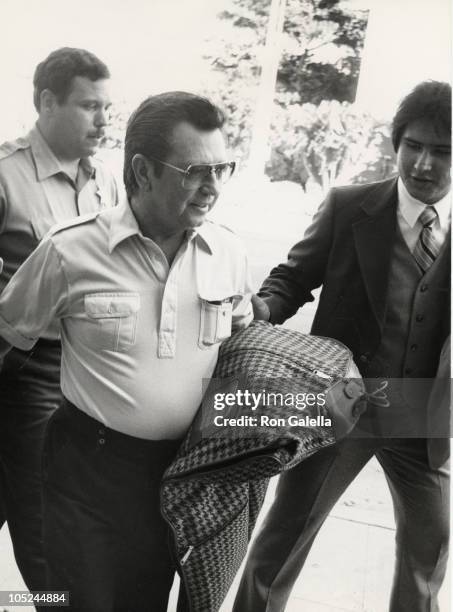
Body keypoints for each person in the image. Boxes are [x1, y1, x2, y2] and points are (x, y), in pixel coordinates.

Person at [0, 91, 252, 611]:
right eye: (195, 171)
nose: (212, 187)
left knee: (144, 599)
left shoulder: (227, 251)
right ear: (141, 172)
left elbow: (240, 343)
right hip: (85, 471)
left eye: (222, 169)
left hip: (176, 478)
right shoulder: (70, 249)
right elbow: (8, 333)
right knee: (74, 601)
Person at [234, 80, 451, 612]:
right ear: (395, 145)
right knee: (284, 538)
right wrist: (261, 309)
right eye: (413, 146)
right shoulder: (349, 206)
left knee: (430, 549)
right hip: (342, 404)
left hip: (427, 417)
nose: (423, 163)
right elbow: (293, 275)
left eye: (442, 152)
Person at [0, 47, 117, 591]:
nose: (103, 119)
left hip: (92, 368)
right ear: (47, 102)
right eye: (89, 106)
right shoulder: (6, 177)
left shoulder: (109, 183)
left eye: (107, 107)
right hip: (29, 369)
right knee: (44, 521)